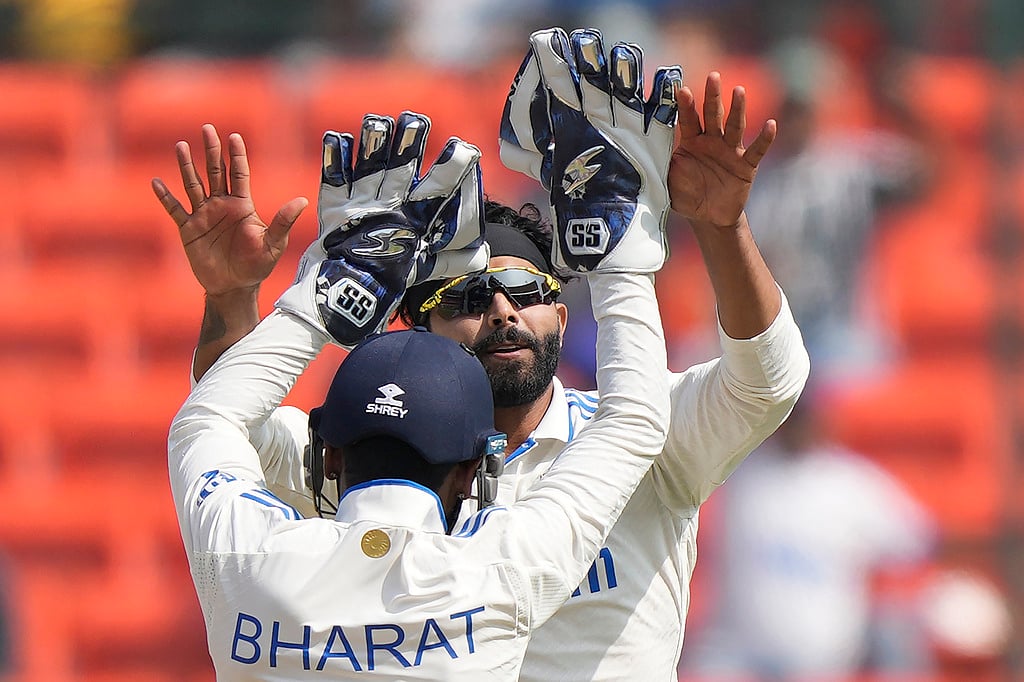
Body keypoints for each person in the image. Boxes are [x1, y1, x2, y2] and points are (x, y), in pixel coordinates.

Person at [176, 28, 810, 681]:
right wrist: (230, 297)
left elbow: (768, 383)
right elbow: (241, 430)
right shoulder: (372, 447)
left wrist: (722, 227)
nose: (504, 313)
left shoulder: (647, 427)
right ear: (418, 327)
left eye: (526, 291)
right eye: (469, 297)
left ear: (561, 314)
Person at [160, 105, 672, 680]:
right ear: (475, 471)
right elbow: (634, 422)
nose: (501, 312)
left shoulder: (246, 560)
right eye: (468, 300)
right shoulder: (496, 571)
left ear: (326, 456)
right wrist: (618, 250)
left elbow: (209, 420)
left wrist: (326, 297)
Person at [679, 392, 937, 679]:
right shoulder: (738, 471)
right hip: (737, 650)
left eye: (803, 419)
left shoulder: (851, 482)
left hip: (819, 657)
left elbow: (920, 539)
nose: (798, 427)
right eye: (790, 419)